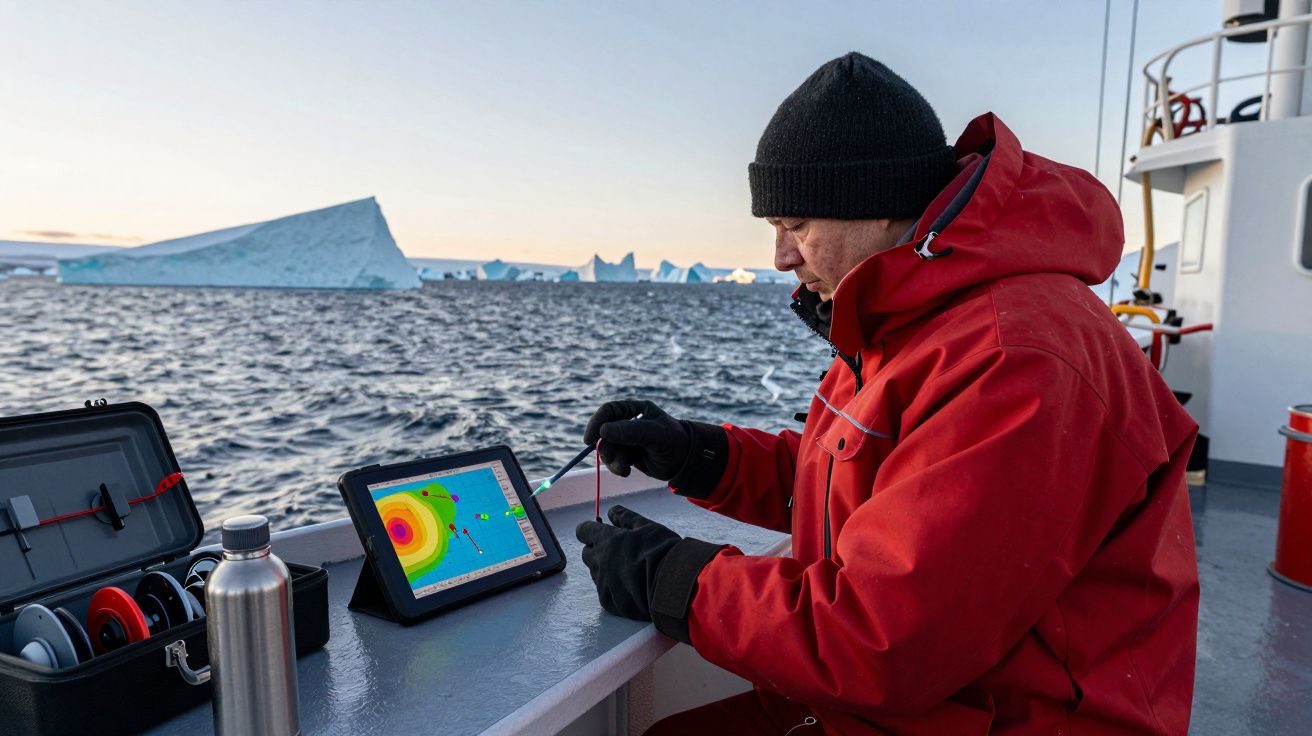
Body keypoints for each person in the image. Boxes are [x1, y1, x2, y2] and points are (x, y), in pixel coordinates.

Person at [575, 52, 1199, 735]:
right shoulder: (912, 316)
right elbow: (866, 483)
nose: (780, 257)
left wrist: (673, 579)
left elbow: (884, 641)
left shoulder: (1015, 359)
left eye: (796, 225)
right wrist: (699, 456)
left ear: (874, 207)